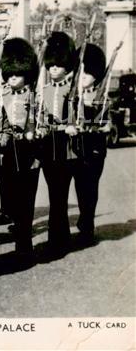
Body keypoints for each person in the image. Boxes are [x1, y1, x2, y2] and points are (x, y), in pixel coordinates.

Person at [0, 38, 41, 265]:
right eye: (9, 73)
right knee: (12, 198)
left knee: (27, 198)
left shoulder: (34, 95)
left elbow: (41, 121)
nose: (12, 77)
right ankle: (19, 233)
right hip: (8, 151)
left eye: (17, 74)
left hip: (29, 152)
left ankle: (24, 246)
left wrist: (36, 133)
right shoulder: (1, 94)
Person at [36, 31, 78, 258]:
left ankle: (58, 239)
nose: (53, 68)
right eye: (50, 64)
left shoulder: (73, 90)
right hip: (47, 146)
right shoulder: (44, 90)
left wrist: (73, 125)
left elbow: (80, 118)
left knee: (60, 194)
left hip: (66, 147)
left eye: (57, 64)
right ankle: (59, 237)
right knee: (54, 194)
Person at [69, 43, 108, 247]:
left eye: (88, 72)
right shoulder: (72, 96)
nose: (83, 75)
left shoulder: (102, 96)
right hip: (76, 148)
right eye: (80, 71)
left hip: (95, 149)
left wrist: (103, 127)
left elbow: (105, 122)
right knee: (79, 186)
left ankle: (87, 225)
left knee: (90, 187)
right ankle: (84, 221)